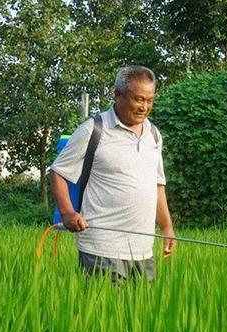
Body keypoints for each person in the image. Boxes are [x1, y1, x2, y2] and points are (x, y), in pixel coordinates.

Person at [50, 65, 176, 283]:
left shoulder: (153, 135)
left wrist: (167, 227)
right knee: (104, 314)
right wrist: (68, 213)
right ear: (118, 94)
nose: (144, 107)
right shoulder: (94, 129)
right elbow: (58, 172)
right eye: (138, 99)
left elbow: (157, 185)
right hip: (101, 248)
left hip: (142, 250)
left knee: (142, 315)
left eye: (150, 100)